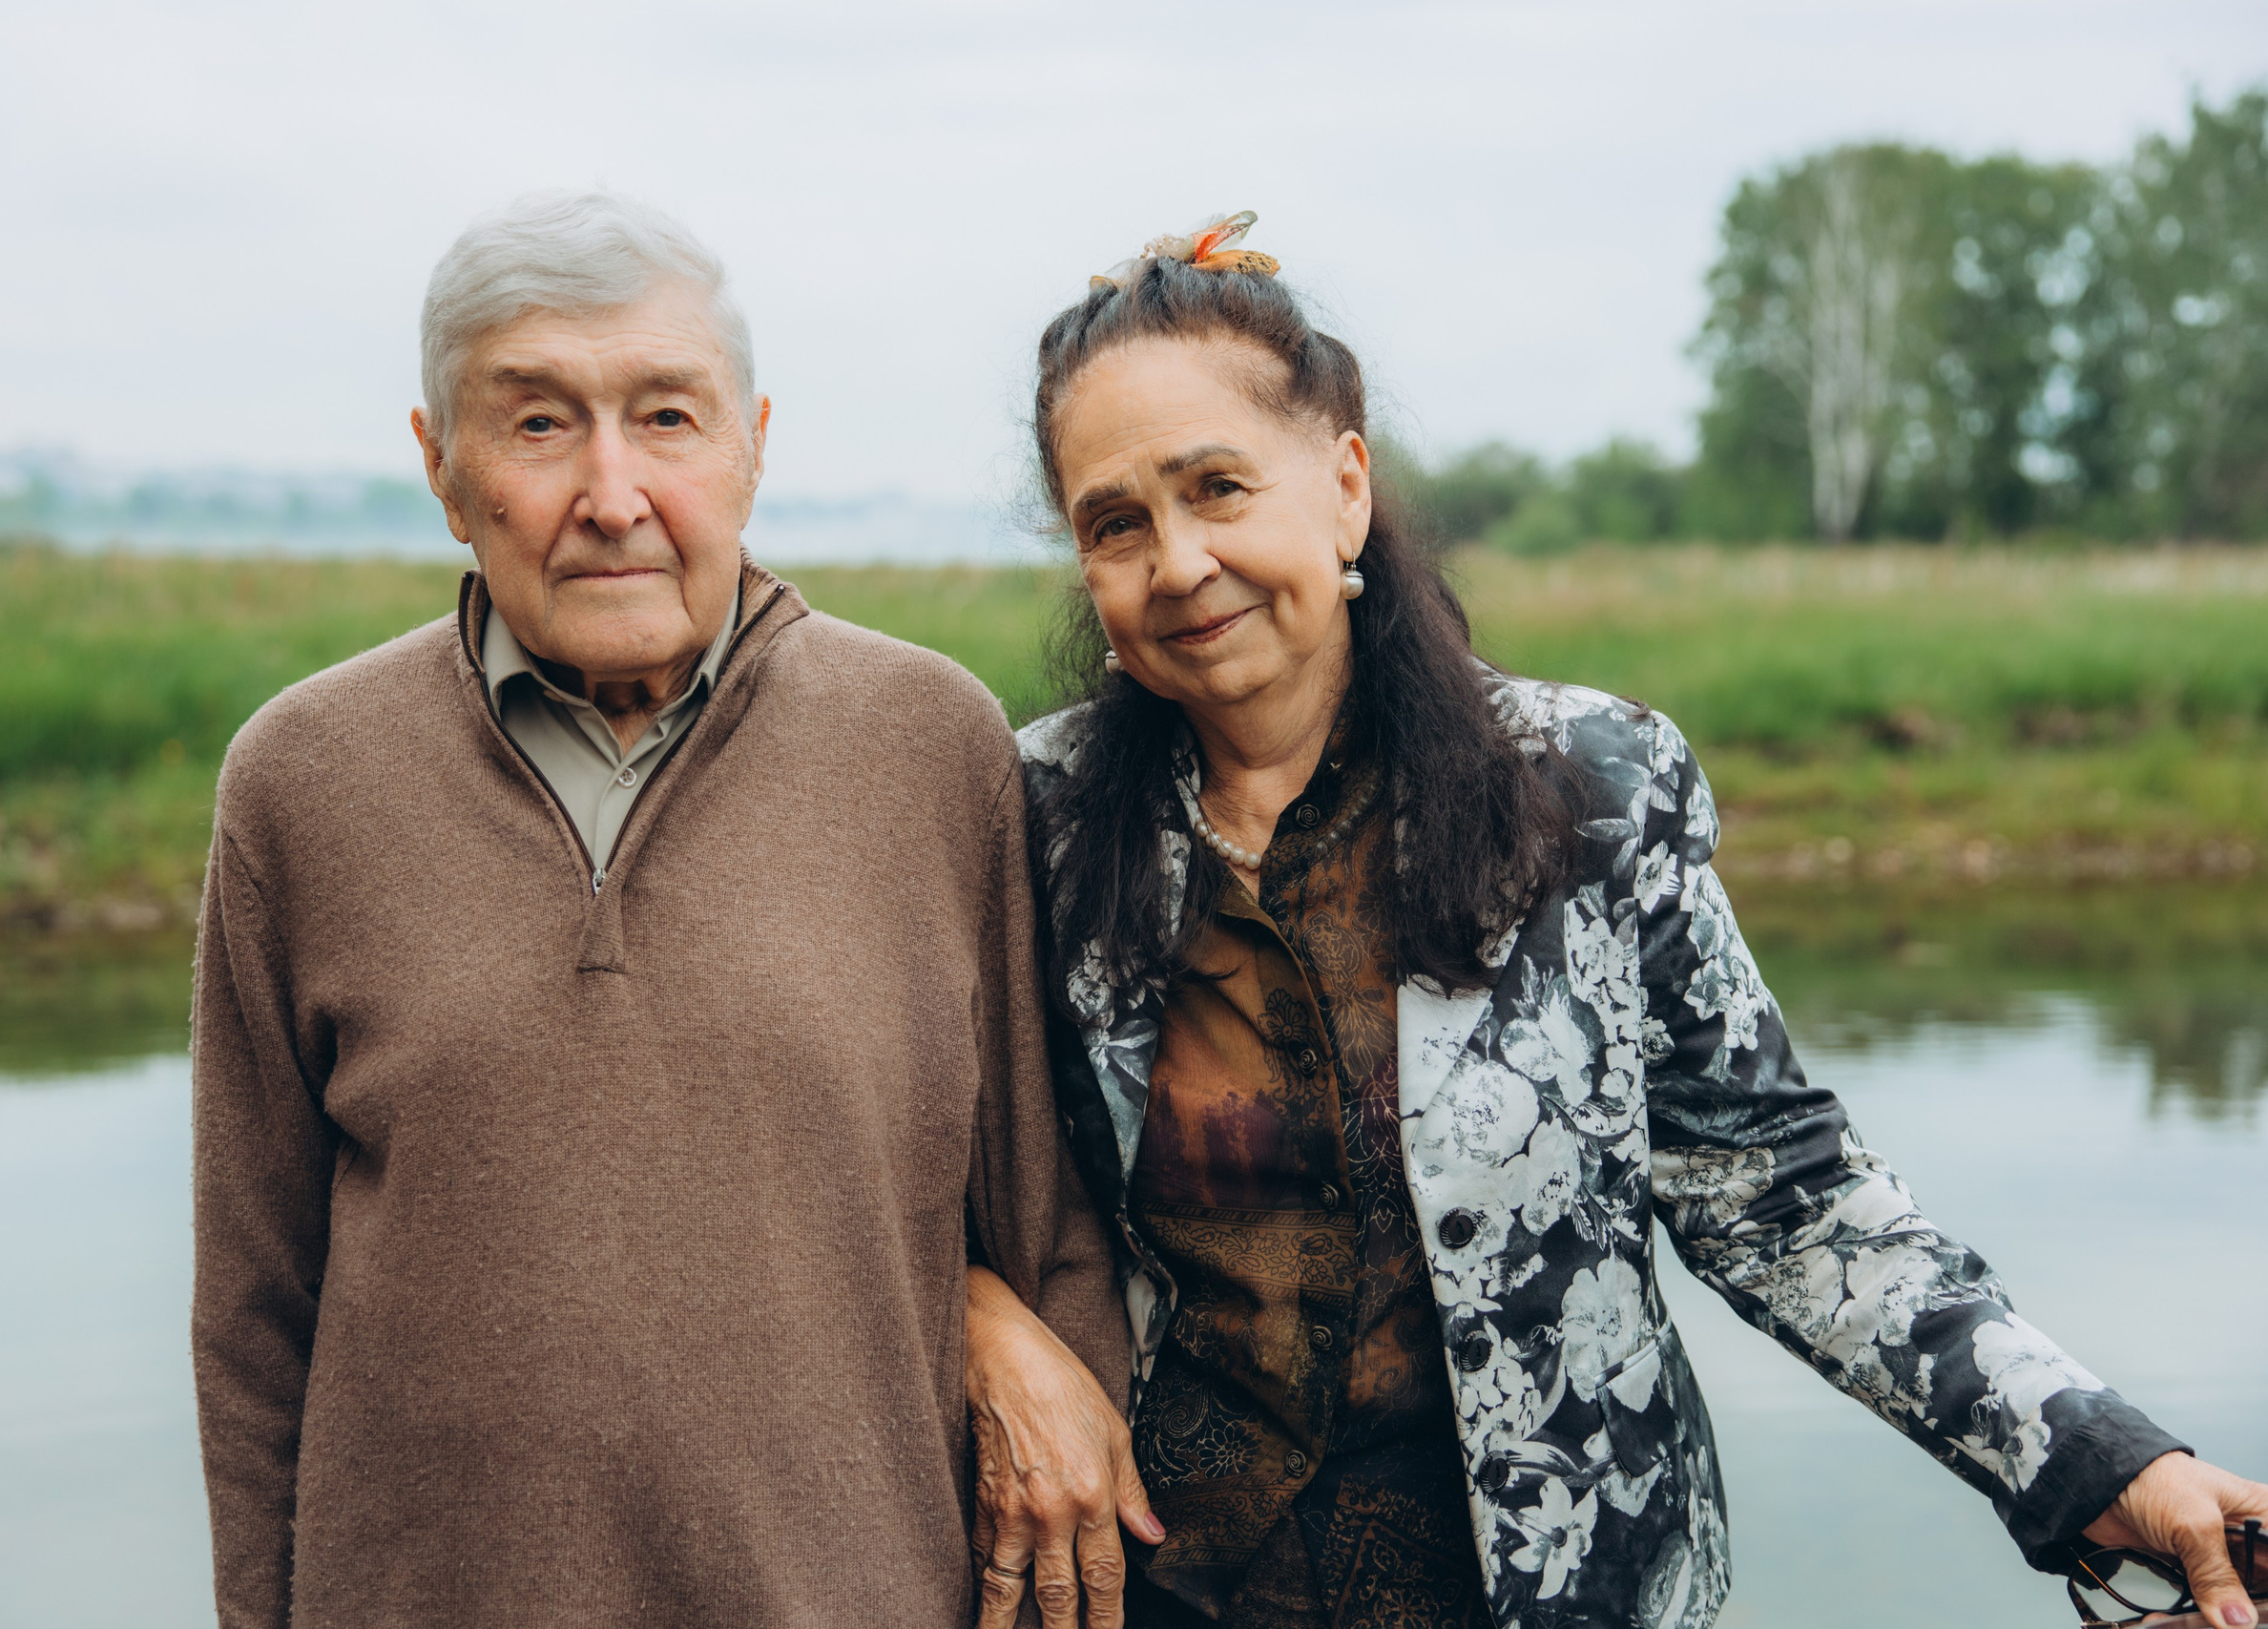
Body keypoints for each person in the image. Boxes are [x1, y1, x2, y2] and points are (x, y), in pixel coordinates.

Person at [959, 214, 2268, 1629]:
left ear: (1344, 489)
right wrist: (980, 1326)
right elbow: (873, 1168)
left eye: (1218, 486)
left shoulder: (1585, 789)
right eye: (1117, 523)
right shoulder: (1024, 818)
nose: (1179, 562)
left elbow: (1783, 1196)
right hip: (1169, 1596)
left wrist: (2094, 1458)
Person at [189, 190, 1127, 1628]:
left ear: (755, 447)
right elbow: (255, 1321)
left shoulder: (930, 746)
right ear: (444, 467)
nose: (614, 496)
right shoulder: (300, 782)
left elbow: (1046, 1234)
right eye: (540, 422)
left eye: (669, 420)